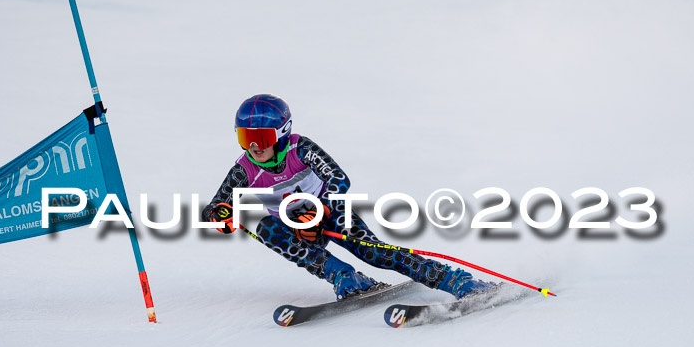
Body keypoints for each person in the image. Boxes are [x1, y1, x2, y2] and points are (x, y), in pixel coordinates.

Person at [203, 94, 495, 300]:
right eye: (245, 138)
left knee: (374, 253)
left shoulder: (300, 149)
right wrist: (221, 216)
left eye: (262, 138)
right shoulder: (245, 169)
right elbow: (215, 207)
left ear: (282, 133)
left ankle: (454, 280)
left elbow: (338, 178)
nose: (254, 147)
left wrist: (321, 213)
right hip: (296, 230)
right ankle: (344, 277)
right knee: (266, 227)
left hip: (331, 215)